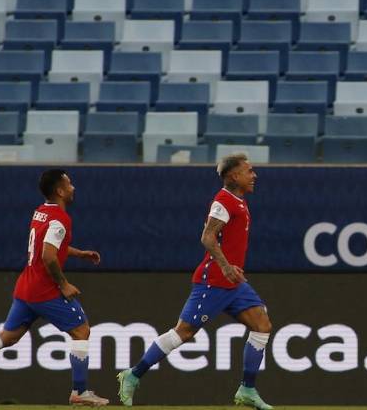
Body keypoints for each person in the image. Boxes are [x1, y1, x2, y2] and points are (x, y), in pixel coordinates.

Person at [0, 169, 110, 405]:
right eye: (69, 184)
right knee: (81, 330)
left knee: (7, 337)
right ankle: (79, 392)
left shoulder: (41, 211)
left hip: (26, 287)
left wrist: (78, 253)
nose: (73, 188)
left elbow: (47, 245)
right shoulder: (60, 218)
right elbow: (48, 256)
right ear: (60, 190)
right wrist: (64, 284)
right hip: (45, 289)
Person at [117, 153, 273, 409]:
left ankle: (247, 389)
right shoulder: (223, 200)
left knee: (262, 325)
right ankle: (133, 374)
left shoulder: (240, 201)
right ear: (234, 175)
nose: (254, 175)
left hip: (233, 284)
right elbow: (207, 237)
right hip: (213, 281)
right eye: (249, 171)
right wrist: (225, 266)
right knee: (183, 333)